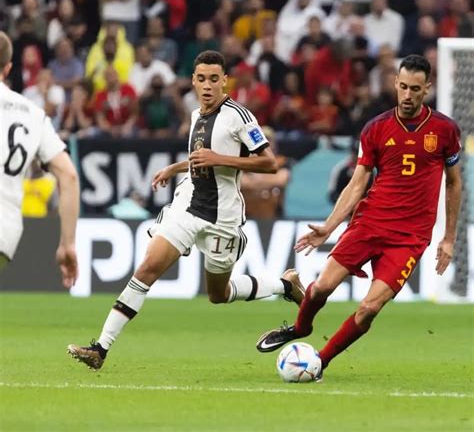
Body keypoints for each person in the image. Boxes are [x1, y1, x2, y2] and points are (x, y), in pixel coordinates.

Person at [67, 50, 305, 370]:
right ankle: (101, 348)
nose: (207, 86)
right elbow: (200, 159)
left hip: (222, 216)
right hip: (189, 206)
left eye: (214, 79)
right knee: (147, 268)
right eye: (201, 79)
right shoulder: (195, 116)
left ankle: (285, 285)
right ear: (193, 81)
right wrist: (175, 168)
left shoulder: (240, 116)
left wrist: (219, 160)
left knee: (219, 294)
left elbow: (269, 162)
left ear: (225, 81)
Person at [256, 54, 462, 382]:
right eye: (403, 87)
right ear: (395, 84)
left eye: (415, 89)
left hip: (410, 238)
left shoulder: (445, 130)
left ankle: (319, 362)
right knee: (322, 288)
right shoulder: (376, 128)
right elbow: (357, 184)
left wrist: (449, 238)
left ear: (427, 88)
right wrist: (329, 226)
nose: (408, 95)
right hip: (370, 223)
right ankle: (300, 327)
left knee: (369, 309)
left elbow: (453, 183)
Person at [0, 31, 80, 287]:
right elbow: (69, 176)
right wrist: (68, 244)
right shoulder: (33, 114)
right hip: (6, 232)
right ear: (8, 68)